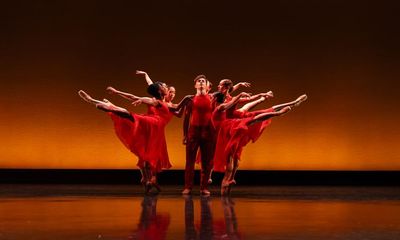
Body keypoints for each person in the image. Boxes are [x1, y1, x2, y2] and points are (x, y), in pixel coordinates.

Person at [78, 82, 183, 194]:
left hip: (155, 131)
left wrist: (187, 100)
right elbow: (133, 96)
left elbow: (177, 107)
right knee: (129, 115)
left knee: (148, 155)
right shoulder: (155, 101)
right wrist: (117, 92)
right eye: (165, 87)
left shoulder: (167, 103)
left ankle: (148, 181)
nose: (167, 88)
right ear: (159, 91)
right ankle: (99, 103)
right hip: (152, 123)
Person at [212, 89, 308, 195]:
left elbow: (241, 101)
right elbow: (234, 101)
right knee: (253, 119)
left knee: (255, 116)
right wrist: (254, 96)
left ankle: (285, 108)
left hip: (230, 123)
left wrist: (260, 97)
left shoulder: (221, 104)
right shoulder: (221, 105)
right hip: (228, 126)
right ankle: (228, 180)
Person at [181, 75, 216, 195]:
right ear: (195, 85)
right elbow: (186, 119)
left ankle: (204, 187)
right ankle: (188, 187)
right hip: (193, 133)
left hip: (208, 133)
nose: (201, 82)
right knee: (189, 161)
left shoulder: (212, 99)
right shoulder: (190, 100)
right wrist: (185, 135)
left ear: (207, 86)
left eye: (203, 81)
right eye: (199, 81)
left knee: (206, 162)